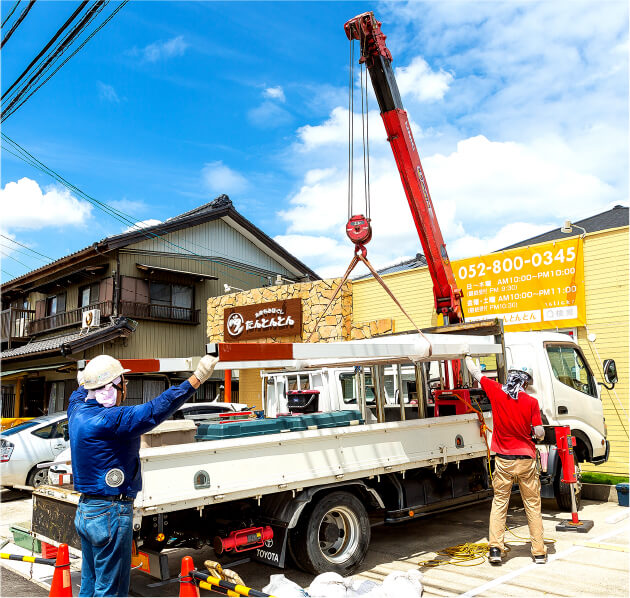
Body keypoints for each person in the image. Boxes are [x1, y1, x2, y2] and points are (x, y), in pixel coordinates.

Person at [68, 354, 219, 597]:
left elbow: (78, 391)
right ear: (111, 388)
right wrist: (196, 379)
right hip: (110, 513)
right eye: (123, 383)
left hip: (87, 510)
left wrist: (85, 378)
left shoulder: (77, 411)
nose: (125, 387)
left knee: (90, 583)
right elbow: (155, 410)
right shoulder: (112, 420)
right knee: (111, 590)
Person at [464, 354, 547, 566]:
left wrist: (466, 355)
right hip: (526, 460)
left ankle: (495, 549)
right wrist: (535, 433)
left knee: (500, 503)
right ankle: (538, 552)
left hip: (503, 460)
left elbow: (475, 373)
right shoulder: (531, 402)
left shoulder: (496, 392)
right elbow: (539, 433)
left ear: (511, 377)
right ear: (525, 381)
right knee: (532, 505)